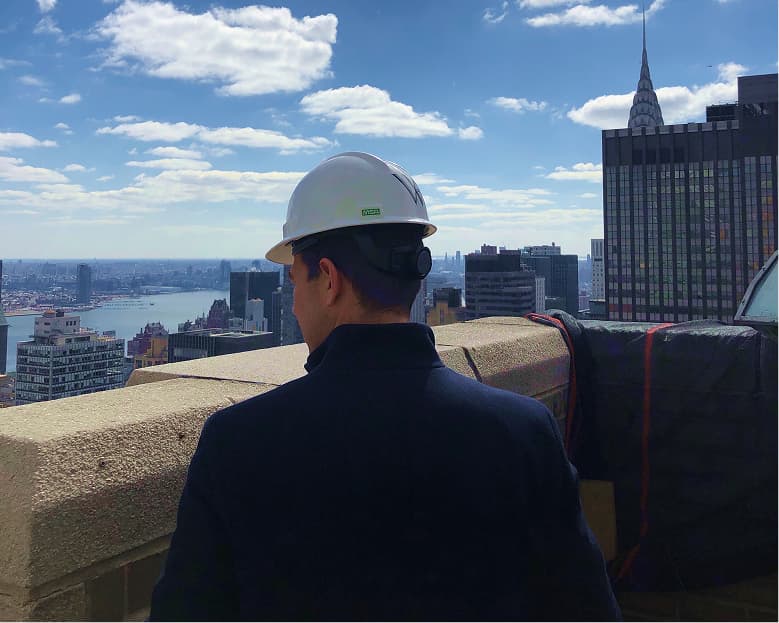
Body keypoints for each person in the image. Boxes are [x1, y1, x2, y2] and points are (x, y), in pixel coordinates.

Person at [149, 152, 621, 621]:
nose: (293, 305)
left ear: (329, 280)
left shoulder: (238, 443)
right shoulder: (523, 432)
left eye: (295, 280)